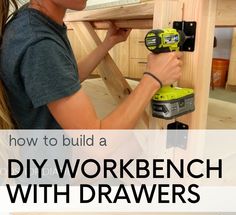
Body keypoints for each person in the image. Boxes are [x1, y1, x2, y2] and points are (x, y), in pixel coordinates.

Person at [0, 0, 183, 129]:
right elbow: (94, 145)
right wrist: (152, 79)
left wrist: (107, 44)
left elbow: (63, 80)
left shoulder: (31, 19)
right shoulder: (39, 43)